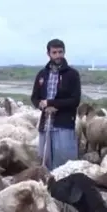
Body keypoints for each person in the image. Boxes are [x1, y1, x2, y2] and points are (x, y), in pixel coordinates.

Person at [30, 39, 81, 170]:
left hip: (63, 124)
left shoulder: (72, 75)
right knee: (45, 162)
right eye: (54, 52)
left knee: (64, 163)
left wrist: (52, 104)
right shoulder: (42, 75)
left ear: (64, 52)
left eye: (60, 52)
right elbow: (34, 97)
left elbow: (75, 100)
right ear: (48, 54)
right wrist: (41, 105)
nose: (58, 55)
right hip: (46, 124)